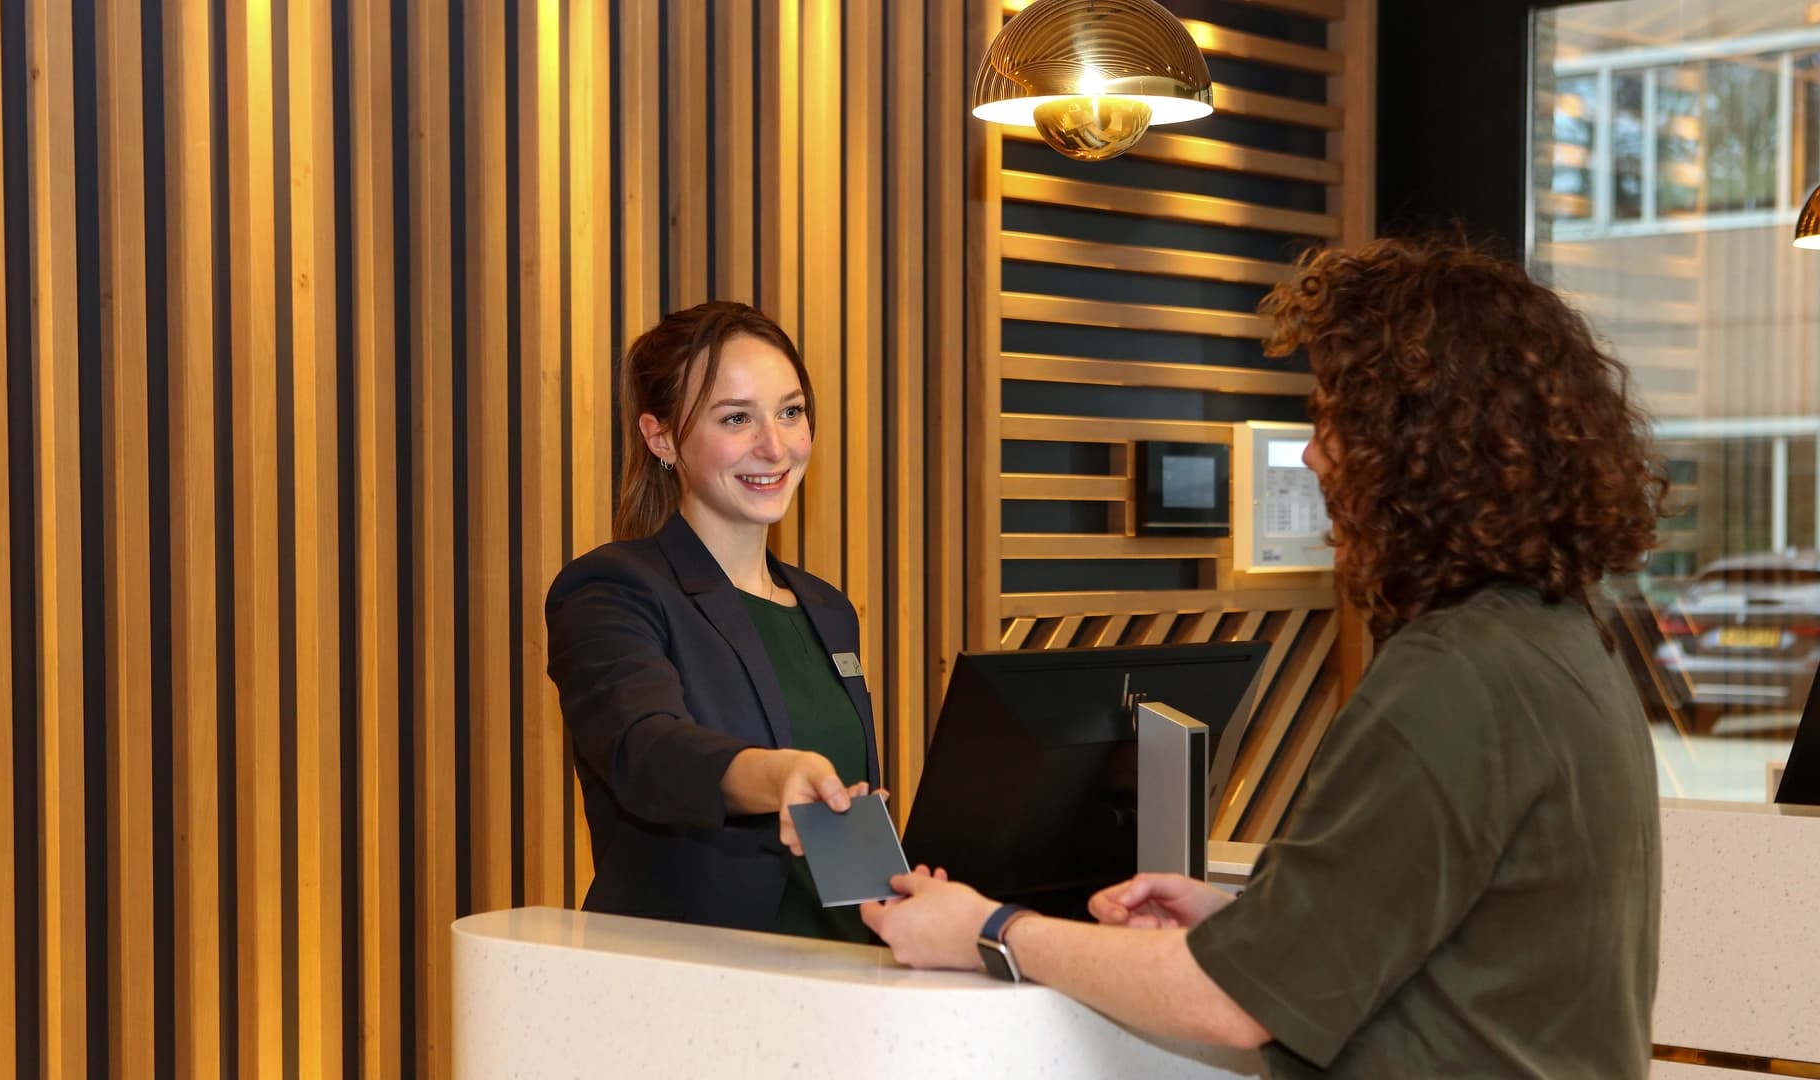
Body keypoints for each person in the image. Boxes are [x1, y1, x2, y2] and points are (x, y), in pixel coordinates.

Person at [862, 236, 1670, 1076]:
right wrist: (1249, 922)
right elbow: (1467, 933)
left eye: (1331, 421)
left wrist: (989, 930)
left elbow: (1231, 1004)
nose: (1315, 455)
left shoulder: (1453, 678)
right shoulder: (1565, 638)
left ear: (1418, 446)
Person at [546, 300, 879, 941]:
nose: (775, 446)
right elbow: (646, 751)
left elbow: (840, 810)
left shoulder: (828, 609)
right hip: (695, 992)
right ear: (662, 437)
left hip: (847, 985)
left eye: (790, 412)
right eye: (736, 418)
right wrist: (774, 773)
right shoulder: (613, 589)